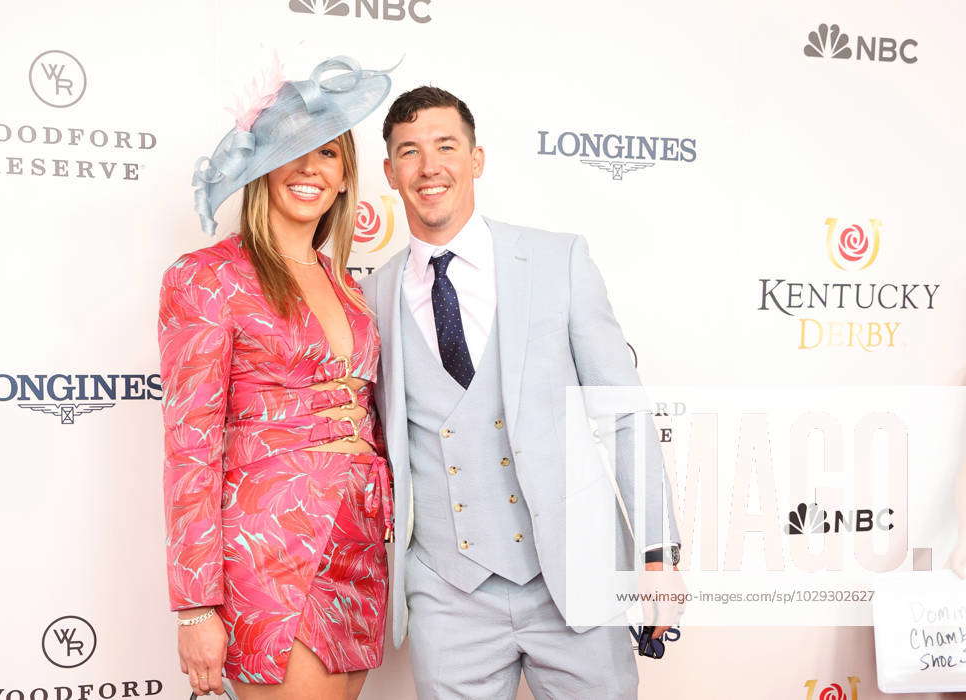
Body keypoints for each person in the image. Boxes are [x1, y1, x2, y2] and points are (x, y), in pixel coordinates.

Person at [360, 86, 682, 699]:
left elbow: (623, 414)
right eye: (410, 152)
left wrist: (658, 555)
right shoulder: (372, 296)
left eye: (446, 146)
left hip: (574, 574)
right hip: (446, 595)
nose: (430, 168)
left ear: (476, 158)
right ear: (390, 172)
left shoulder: (558, 261)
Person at [158, 57, 394, 699]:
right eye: (292, 149)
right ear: (260, 164)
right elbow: (190, 445)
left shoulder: (348, 285)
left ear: (346, 177)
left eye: (328, 154)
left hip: (357, 542)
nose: (310, 168)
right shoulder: (207, 277)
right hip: (270, 548)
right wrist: (197, 605)